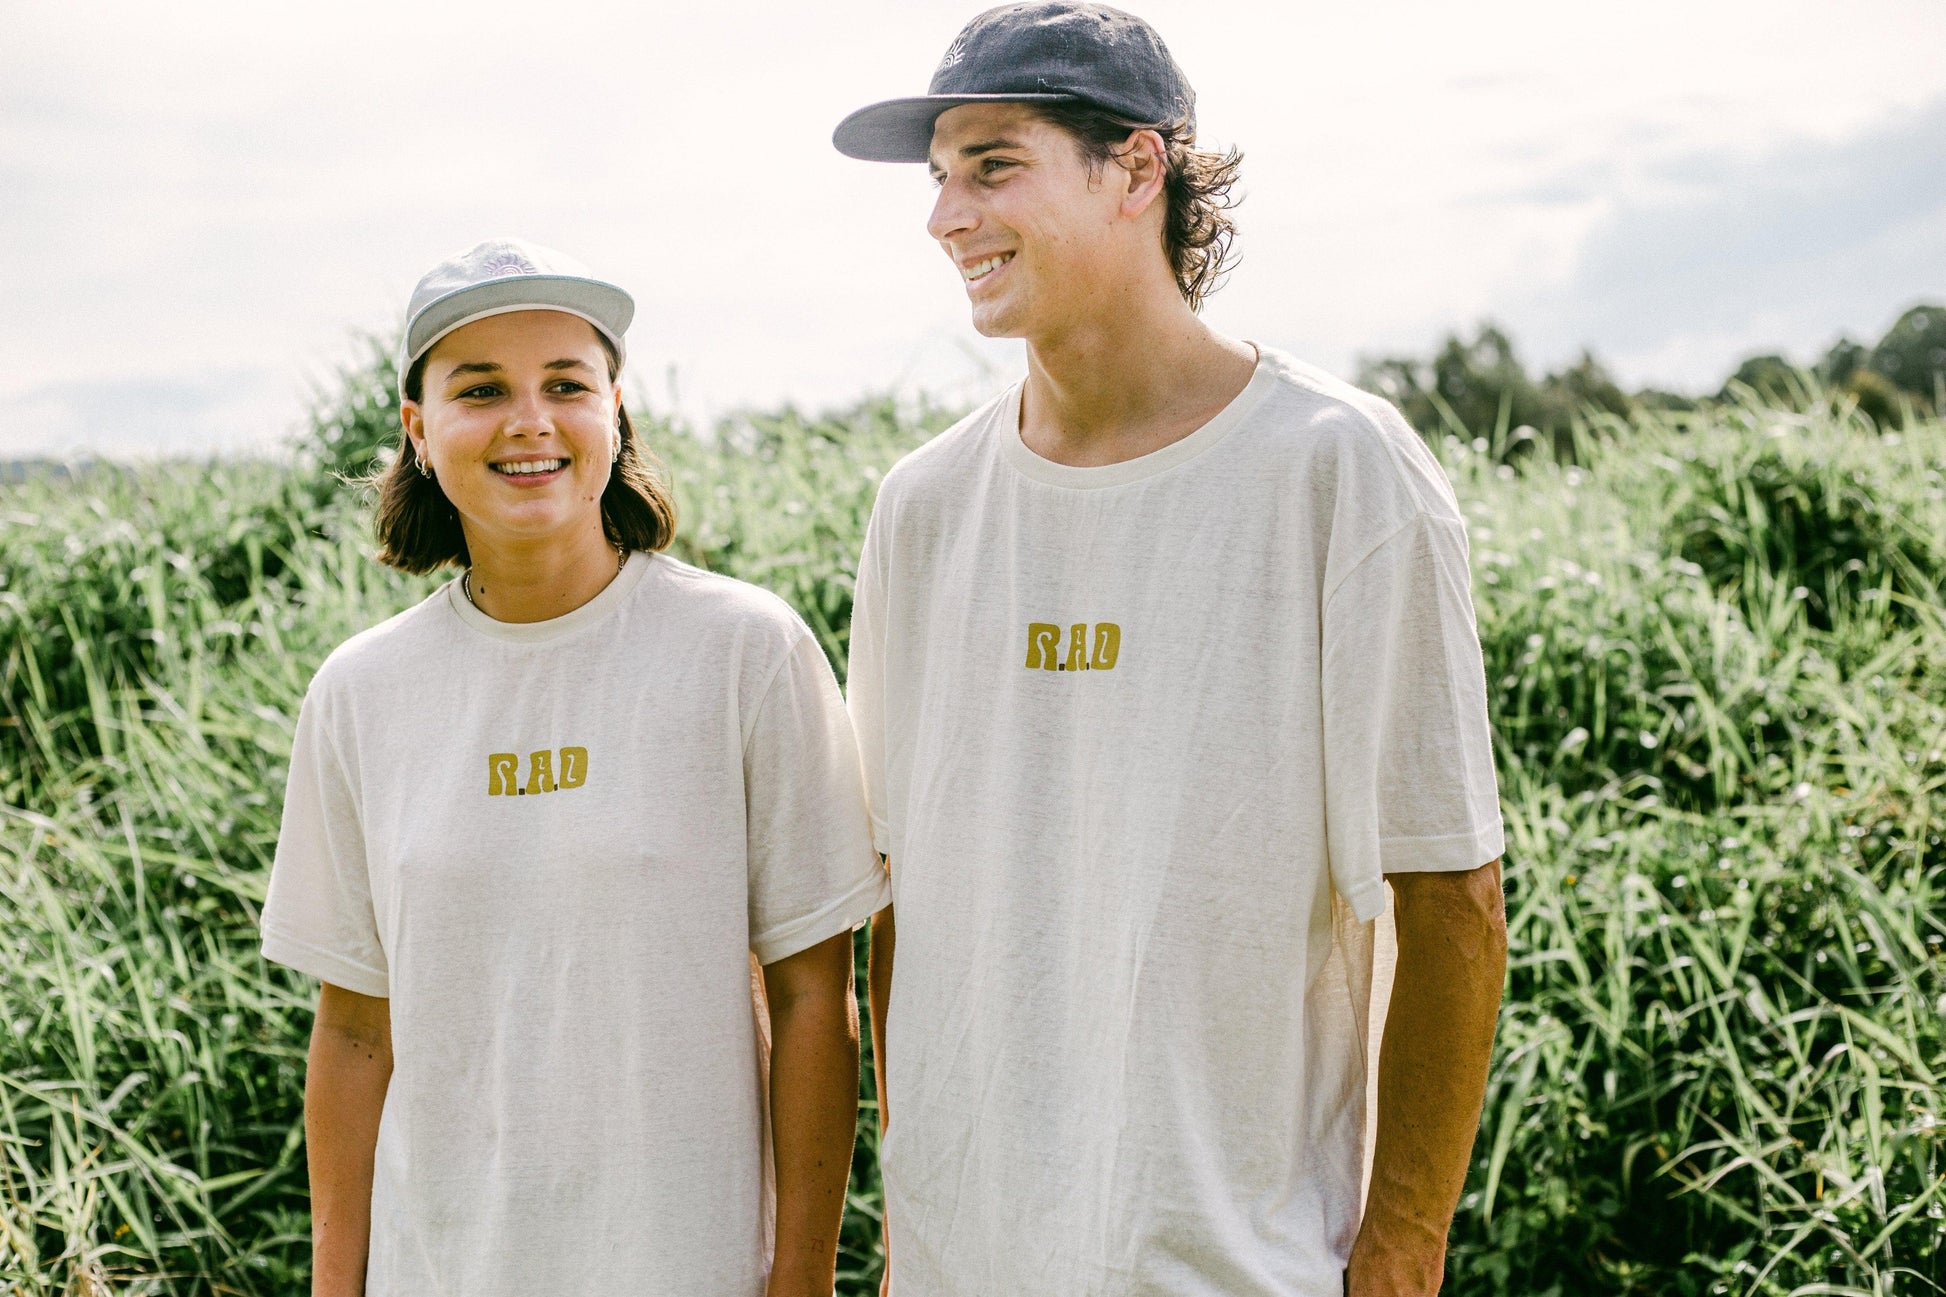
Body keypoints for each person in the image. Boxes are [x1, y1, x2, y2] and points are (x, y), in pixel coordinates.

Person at [832, 6, 1508, 1295]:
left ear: (1136, 169)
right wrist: (918, 1218)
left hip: (1236, 1265)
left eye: (991, 166)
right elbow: (895, 896)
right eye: (938, 178)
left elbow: (1450, 895)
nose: (944, 217)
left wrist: (1401, 1253)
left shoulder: (1338, 470)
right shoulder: (921, 509)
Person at [259, 238, 889, 1297]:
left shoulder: (741, 649)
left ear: (613, 413)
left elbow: (812, 997)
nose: (530, 420)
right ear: (418, 429)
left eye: (565, 384)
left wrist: (800, 1282)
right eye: (481, 389)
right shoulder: (362, 693)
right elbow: (357, 1029)